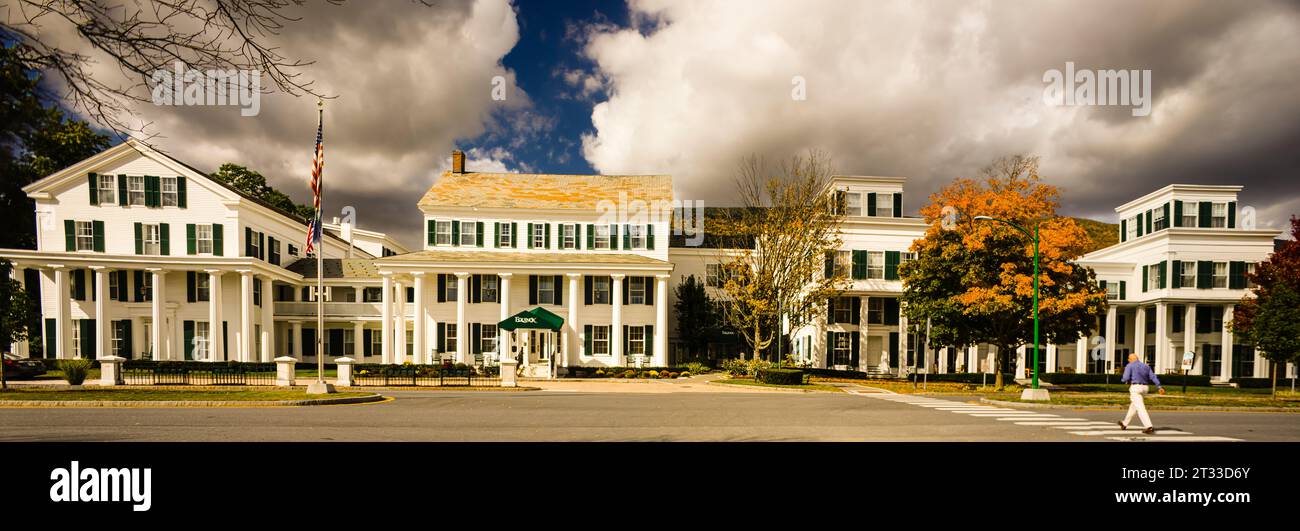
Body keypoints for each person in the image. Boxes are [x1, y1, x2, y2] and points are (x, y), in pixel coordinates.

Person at [1118, 353, 1165, 434]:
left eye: (1129, 359)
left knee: (1140, 408)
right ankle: (1124, 423)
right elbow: (1153, 377)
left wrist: (1123, 380)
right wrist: (1159, 387)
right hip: (1145, 388)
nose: (1128, 361)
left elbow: (1125, 377)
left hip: (1136, 388)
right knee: (1134, 406)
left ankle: (1148, 426)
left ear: (1130, 359)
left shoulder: (1130, 366)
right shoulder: (1146, 366)